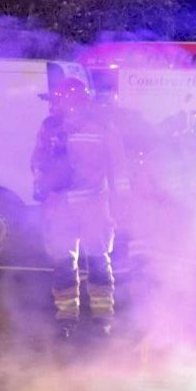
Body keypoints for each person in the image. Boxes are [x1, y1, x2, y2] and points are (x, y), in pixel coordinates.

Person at [31, 78, 130, 339]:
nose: (55, 105)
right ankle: (71, 318)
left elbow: (118, 168)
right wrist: (43, 184)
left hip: (91, 206)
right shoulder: (51, 128)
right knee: (68, 263)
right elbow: (37, 161)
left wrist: (121, 202)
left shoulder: (100, 126)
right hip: (66, 207)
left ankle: (99, 317)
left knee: (94, 261)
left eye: (59, 100)